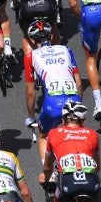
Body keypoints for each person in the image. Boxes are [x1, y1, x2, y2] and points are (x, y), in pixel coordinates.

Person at [24, 19, 82, 163]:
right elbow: (79, 83)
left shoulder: (31, 57)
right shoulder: (66, 50)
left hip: (52, 104)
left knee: (43, 135)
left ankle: (48, 174)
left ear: (32, 40)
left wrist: (31, 116)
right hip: (73, 99)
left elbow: (31, 92)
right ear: (51, 37)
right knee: (77, 134)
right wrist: (78, 103)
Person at [41, 98, 100, 202]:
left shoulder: (53, 133)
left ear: (63, 119)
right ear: (83, 121)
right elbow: (97, 166)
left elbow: (48, 166)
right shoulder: (93, 134)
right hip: (89, 180)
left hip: (68, 181)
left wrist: (46, 178)